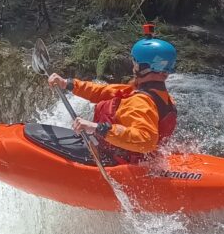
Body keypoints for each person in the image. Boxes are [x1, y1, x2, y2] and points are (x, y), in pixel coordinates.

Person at [47, 25, 177, 164]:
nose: (134, 67)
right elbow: (102, 91)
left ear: (146, 68)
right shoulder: (163, 97)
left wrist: (98, 128)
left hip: (119, 161)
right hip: (142, 160)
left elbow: (146, 141)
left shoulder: (140, 101)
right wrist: (68, 83)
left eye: (136, 63)